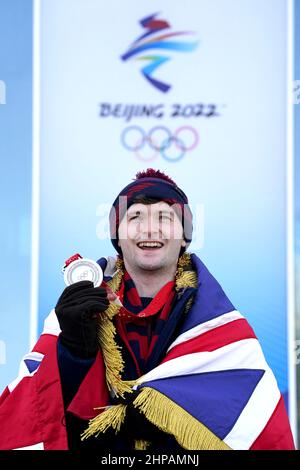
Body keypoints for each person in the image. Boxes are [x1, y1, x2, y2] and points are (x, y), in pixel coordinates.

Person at [0, 168, 295, 451]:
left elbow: (260, 429)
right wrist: (72, 353)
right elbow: (33, 412)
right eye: (136, 216)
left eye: (165, 217)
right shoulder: (77, 309)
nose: (150, 228)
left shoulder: (222, 326)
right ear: (117, 235)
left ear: (184, 236)